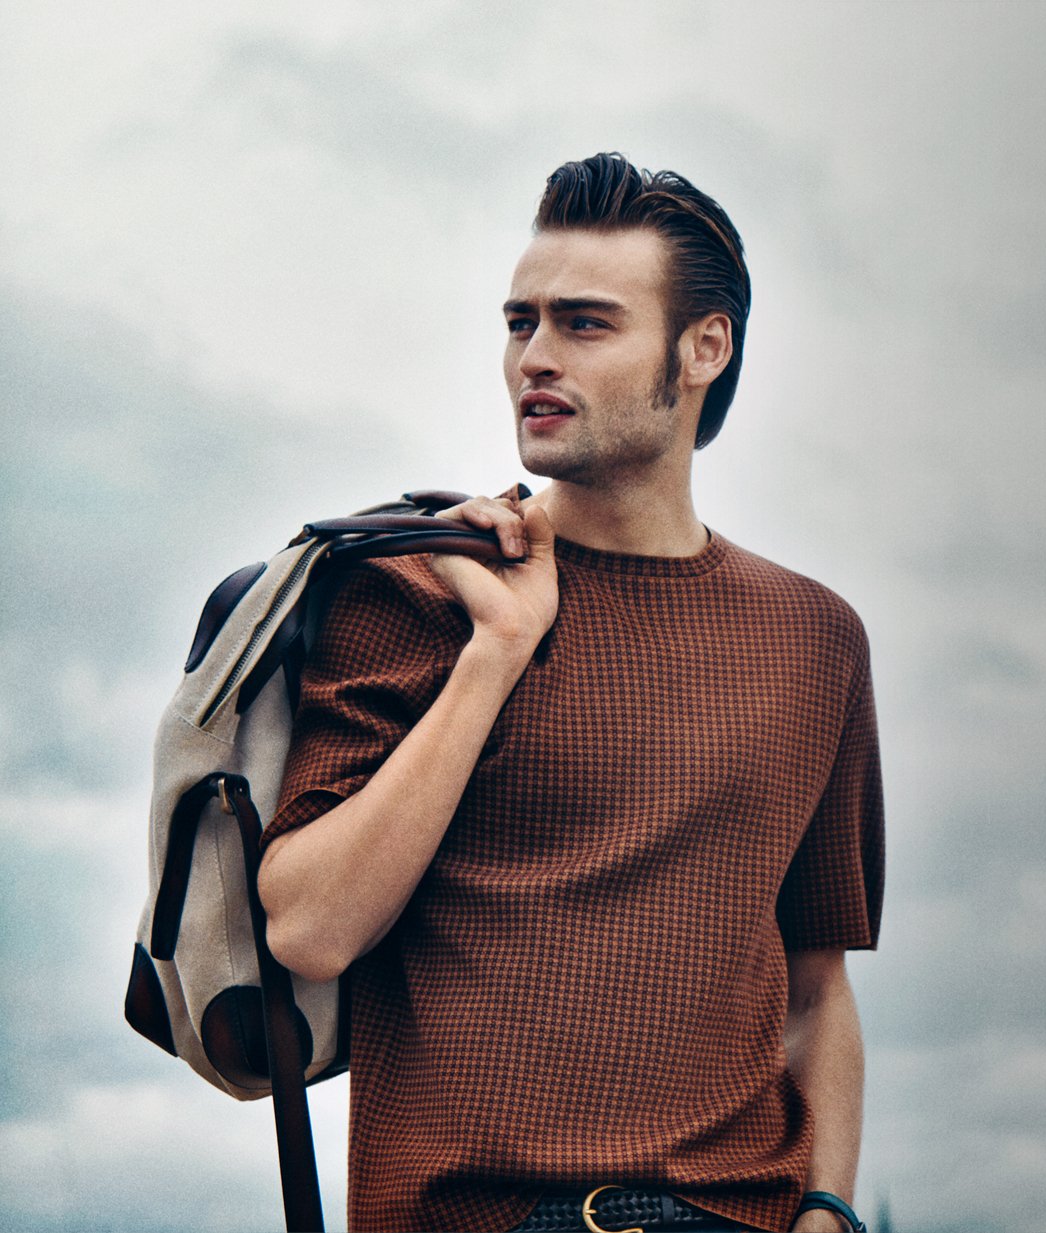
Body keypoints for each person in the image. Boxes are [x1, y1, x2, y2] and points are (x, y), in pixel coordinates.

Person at [256, 153, 883, 1233]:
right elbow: (309, 929)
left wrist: (830, 1209)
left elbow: (815, 984)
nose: (535, 357)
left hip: (732, 1216)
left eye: (586, 324)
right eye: (520, 323)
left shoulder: (815, 639)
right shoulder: (414, 589)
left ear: (704, 348)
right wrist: (496, 652)